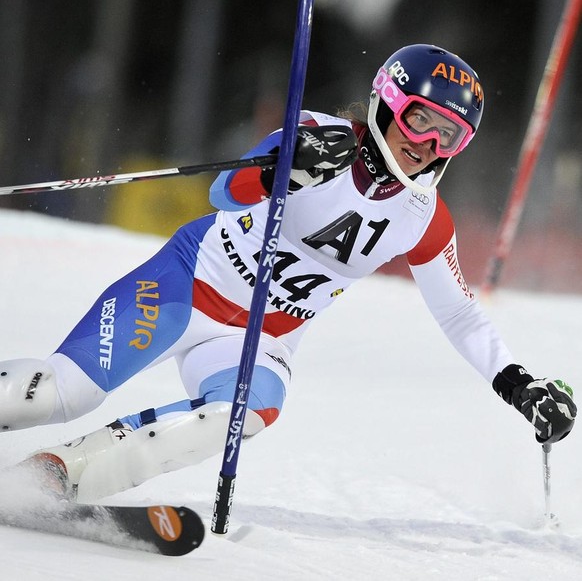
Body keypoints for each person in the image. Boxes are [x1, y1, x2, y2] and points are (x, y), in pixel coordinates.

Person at [0, 44, 576, 502]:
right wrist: (285, 170)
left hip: (261, 339)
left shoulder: (423, 217)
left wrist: (518, 385)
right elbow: (223, 192)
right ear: (386, 104)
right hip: (182, 286)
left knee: (238, 418)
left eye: (447, 136)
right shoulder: (311, 134)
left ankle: (57, 476)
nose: (426, 144)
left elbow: (457, 312)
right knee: (53, 395)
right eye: (420, 119)